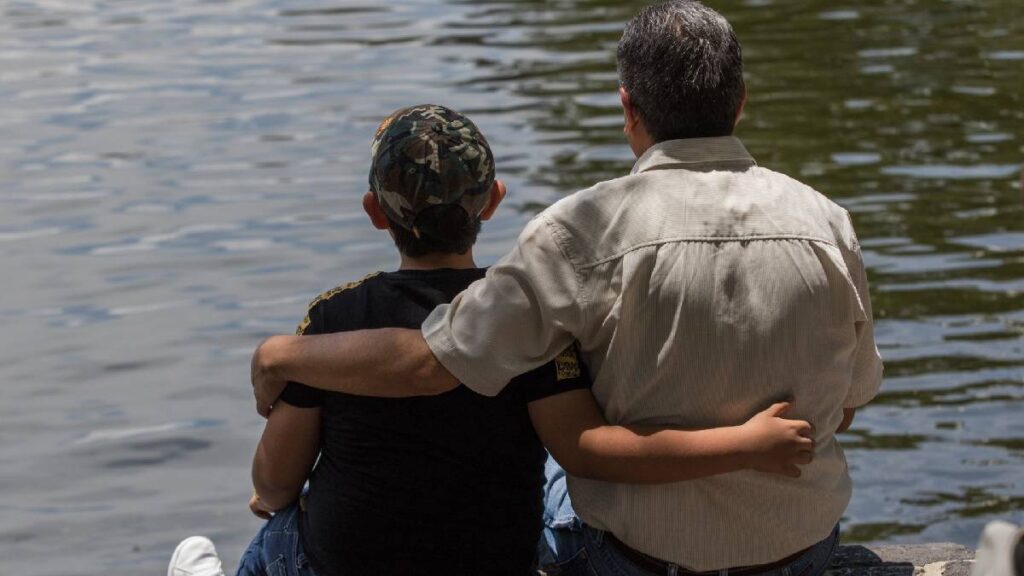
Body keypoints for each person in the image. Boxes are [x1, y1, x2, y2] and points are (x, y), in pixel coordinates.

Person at [249, 1, 884, 573]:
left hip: (637, 563)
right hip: (802, 552)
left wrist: (279, 355)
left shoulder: (579, 234)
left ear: (628, 108)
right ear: (741, 100)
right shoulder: (829, 224)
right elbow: (846, 405)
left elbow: (430, 365)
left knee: (559, 450)